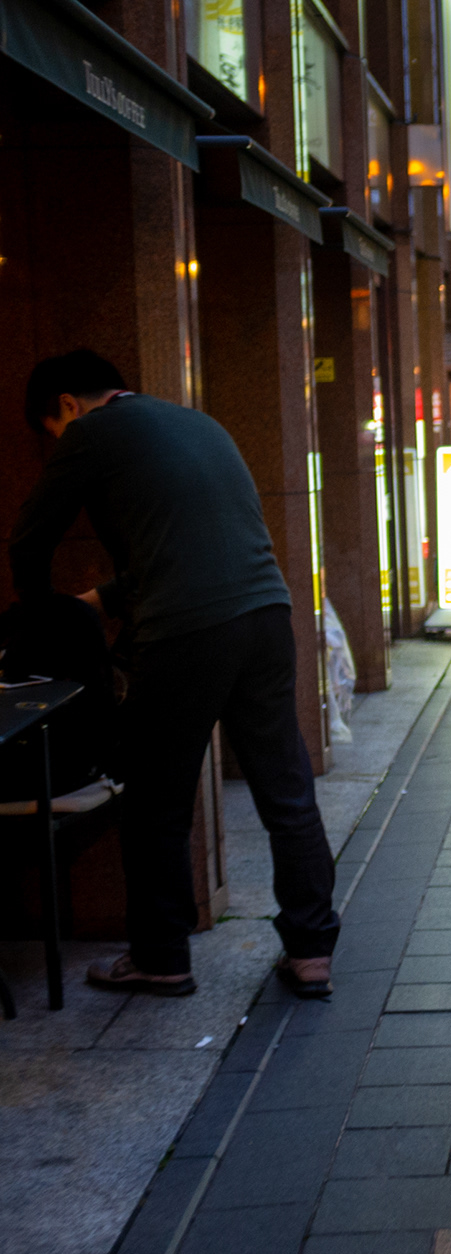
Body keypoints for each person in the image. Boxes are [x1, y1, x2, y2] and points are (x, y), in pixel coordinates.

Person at [9, 350, 341, 999]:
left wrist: (40, 625)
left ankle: (161, 956)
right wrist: (101, 601)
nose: (60, 441)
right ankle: (311, 951)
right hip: (267, 616)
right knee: (287, 790)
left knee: (155, 800)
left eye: (53, 430)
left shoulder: (90, 433)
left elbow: (28, 539)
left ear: (68, 405)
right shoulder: (198, 424)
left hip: (186, 633)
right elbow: (189, 544)